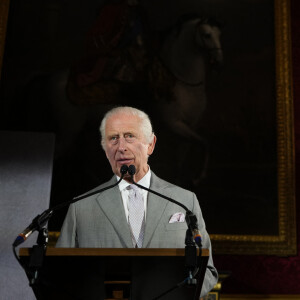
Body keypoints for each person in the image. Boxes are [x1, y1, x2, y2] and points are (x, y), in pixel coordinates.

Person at [56, 106, 218, 296]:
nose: (121, 147)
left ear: (151, 144)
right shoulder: (81, 207)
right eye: (113, 138)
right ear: (105, 148)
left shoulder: (184, 201)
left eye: (130, 136)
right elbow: (61, 275)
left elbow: (207, 272)